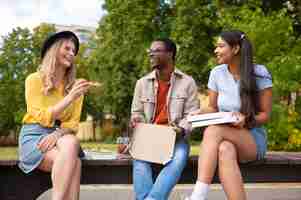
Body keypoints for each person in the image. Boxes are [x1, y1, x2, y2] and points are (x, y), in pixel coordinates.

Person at [185, 30, 273, 200]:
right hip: (226, 137)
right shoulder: (216, 73)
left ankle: (198, 195)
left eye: (220, 46)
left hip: (252, 138)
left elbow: (266, 115)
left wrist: (246, 119)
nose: (216, 50)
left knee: (213, 131)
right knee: (225, 149)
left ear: (235, 49)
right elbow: (213, 108)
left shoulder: (259, 72)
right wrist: (199, 112)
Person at [18, 31, 93, 200]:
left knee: (71, 143)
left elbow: (72, 125)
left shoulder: (75, 87)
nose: (72, 53)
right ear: (54, 50)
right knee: (75, 162)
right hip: (34, 136)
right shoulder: (33, 80)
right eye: (67, 48)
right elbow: (40, 116)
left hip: (60, 135)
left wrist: (57, 133)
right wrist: (69, 98)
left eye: (74, 51)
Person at [130, 38, 199, 200]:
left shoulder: (188, 83)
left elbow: (192, 115)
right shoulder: (142, 83)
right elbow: (136, 112)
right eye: (150, 50)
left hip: (176, 138)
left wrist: (181, 129)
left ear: (170, 54)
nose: (150, 53)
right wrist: (136, 120)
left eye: (156, 50)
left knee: (179, 159)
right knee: (139, 160)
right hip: (148, 136)